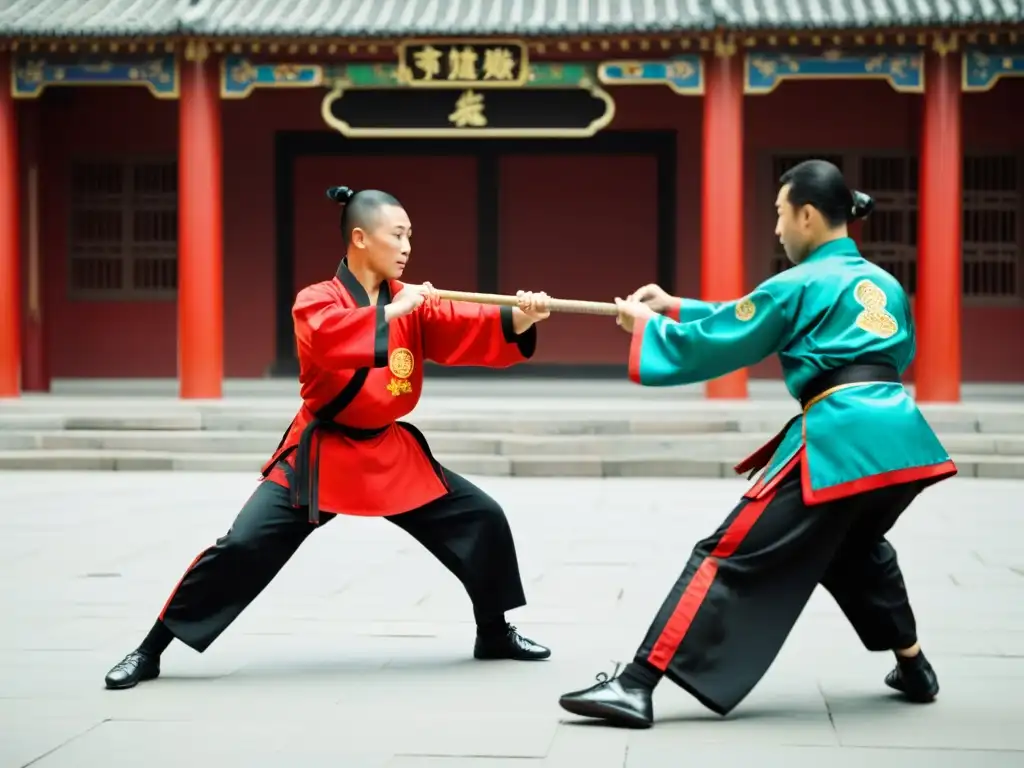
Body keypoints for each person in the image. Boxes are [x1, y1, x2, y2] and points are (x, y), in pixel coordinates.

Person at [557, 159, 957, 728]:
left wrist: (648, 329)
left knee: (727, 550)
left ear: (809, 216)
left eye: (780, 214)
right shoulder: (883, 283)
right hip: (902, 439)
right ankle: (913, 665)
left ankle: (637, 684)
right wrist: (676, 309)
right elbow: (761, 318)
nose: (776, 228)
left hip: (838, 435)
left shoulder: (800, 281)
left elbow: (732, 338)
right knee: (854, 550)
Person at [104, 185, 554, 690]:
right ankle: (150, 650)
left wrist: (522, 315)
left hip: (387, 450)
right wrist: (395, 312)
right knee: (242, 546)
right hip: (321, 454)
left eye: (411, 237)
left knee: (481, 516)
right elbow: (328, 338)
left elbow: (464, 326)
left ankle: (493, 631)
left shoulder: (410, 302)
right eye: (398, 235)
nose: (408, 247)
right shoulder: (318, 300)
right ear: (360, 238)